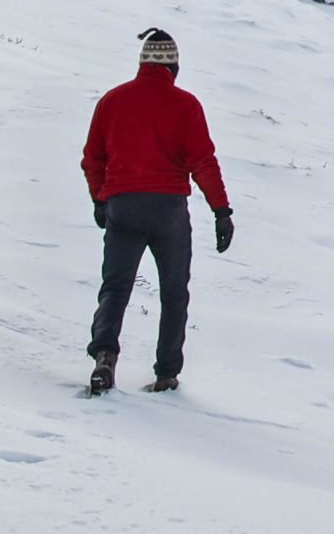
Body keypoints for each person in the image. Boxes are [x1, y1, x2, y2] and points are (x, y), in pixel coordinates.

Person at [82, 27, 235, 393]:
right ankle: (166, 373)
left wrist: (100, 199)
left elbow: (93, 158)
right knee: (173, 292)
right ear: (173, 66)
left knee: (115, 287)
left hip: (123, 205)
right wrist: (221, 210)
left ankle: (105, 357)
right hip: (168, 210)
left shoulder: (112, 101)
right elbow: (203, 162)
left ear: (142, 63)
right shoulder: (186, 104)